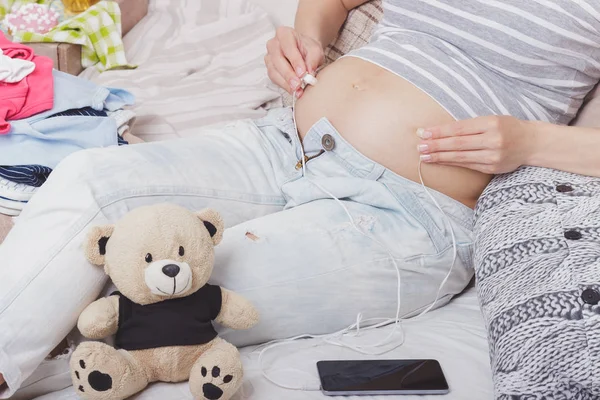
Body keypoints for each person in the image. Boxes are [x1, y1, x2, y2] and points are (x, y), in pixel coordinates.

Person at [1, 0, 599, 397]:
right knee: (87, 179)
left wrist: (530, 142)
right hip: (283, 141)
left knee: (168, 294)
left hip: (402, 214)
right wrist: (306, 39)